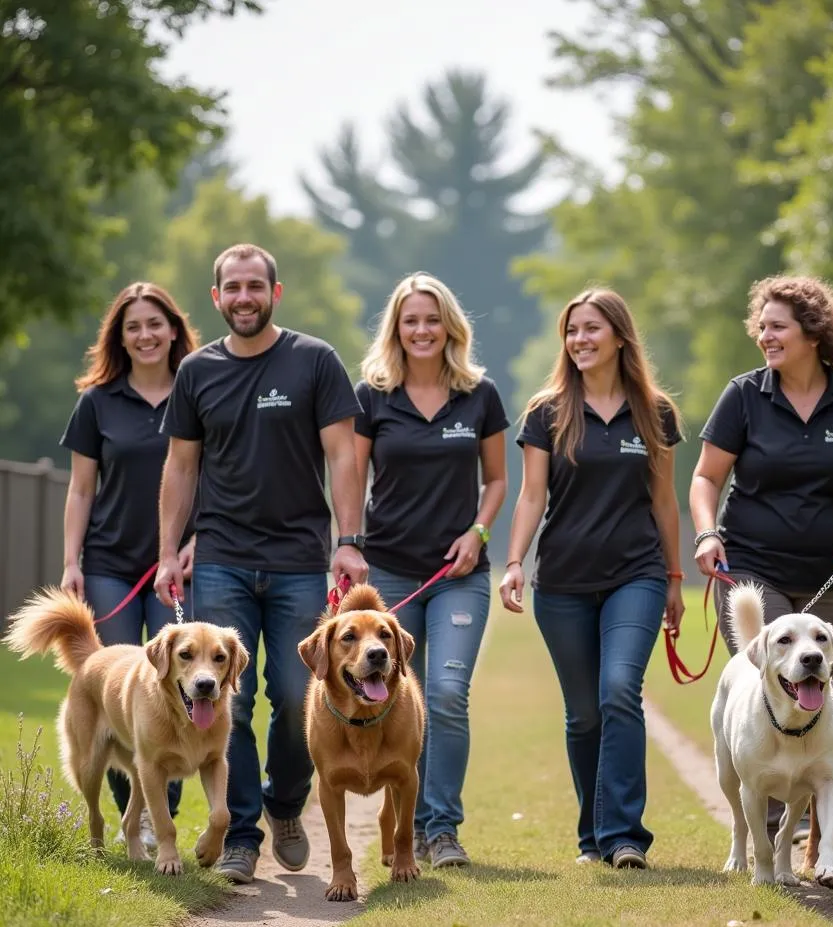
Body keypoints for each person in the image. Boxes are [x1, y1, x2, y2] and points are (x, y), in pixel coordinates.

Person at [154, 243, 368, 885]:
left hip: (301, 559)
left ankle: (284, 803)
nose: (243, 297)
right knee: (226, 702)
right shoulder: (196, 371)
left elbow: (344, 457)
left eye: (255, 286)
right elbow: (181, 464)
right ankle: (243, 832)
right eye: (232, 288)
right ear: (216, 298)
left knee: (301, 691)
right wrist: (169, 550)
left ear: (275, 293)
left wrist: (348, 538)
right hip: (220, 556)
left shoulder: (314, 361)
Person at [689, 274, 833, 843]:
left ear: (813, 332)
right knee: (775, 684)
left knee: (821, 692)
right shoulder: (743, 395)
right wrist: (708, 534)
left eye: (776, 326)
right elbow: (707, 476)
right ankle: (779, 821)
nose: (764, 336)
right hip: (755, 569)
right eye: (761, 326)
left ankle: (803, 814)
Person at [499, 288, 684, 870]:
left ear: (620, 337)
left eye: (591, 329)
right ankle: (591, 836)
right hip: (563, 583)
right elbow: (531, 496)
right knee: (583, 714)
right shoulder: (546, 412)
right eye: (572, 330)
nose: (579, 339)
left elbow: (664, 501)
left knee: (619, 691)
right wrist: (512, 563)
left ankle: (625, 836)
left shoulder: (656, 412)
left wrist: (675, 578)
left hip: (638, 573)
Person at [354, 272, 508, 870]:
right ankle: (403, 832)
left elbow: (497, 480)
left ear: (450, 326)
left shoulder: (480, 395)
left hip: (459, 574)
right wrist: (348, 543)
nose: (421, 330)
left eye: (431, 319)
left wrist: (479, 532)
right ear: (396, 328)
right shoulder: (372, 395)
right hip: (389, 572)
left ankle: (440, 829)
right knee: (391, 697)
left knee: (444, 694)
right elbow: (350, 474)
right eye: (410, 320)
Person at [60, 282, 198, 851]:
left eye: (154, 324)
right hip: (111, 565)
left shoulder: (197, 391)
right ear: (120, 337)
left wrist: (199, 543)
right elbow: (80, 487)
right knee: (123, 700)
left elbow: (210, 476)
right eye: (132, 326)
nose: (145, 335)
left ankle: (161, 815)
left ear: (173, 329)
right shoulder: (97, 402)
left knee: (183, 691)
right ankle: (136, 824)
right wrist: (72, 561)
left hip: (179, 568)